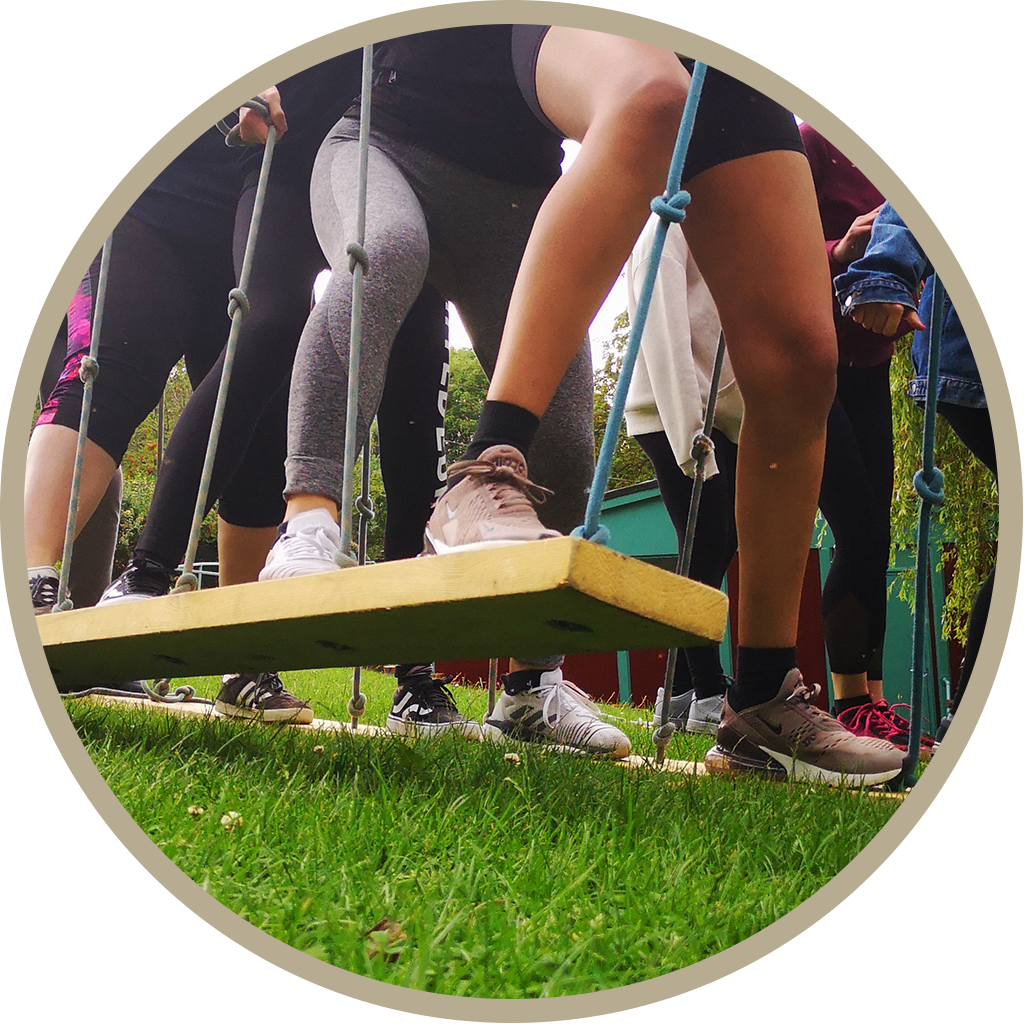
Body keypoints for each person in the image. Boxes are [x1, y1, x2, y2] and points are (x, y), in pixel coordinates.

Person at [424, 11, 907, 783]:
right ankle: (483, 469)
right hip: (605, 22)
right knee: (651, 100)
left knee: (800, 362)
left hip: (738, 54)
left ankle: (760, 704)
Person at [254, 26, 627, 754]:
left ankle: (530, 689)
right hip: (382, 145)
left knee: (562, 436)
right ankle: (308, 523)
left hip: (518, 193)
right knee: (382, 253)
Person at [97, 12, 450, 723]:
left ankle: (416, 675)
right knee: (267, 325)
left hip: (407, 180)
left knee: (414, 389)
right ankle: (144, 575)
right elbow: (234, 26)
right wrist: (241, 82)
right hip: (289, 168)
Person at [22, 11, 314, 720]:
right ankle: (30, 582)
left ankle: (244, 654)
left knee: (255, 426)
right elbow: (87, 80)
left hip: (253, 218)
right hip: (140, 206)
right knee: (106, 369)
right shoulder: (168, 16)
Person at [835, 80, 1013, 768]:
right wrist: (883, 274)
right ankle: (977, 721)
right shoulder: (1008, 111)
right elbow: (935, 196)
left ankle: (980, 721)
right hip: (984, 356)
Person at [800, 12, 952, 750]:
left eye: (931, 53)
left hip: (870, 371)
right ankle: (847, 700)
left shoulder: (931, 151)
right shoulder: (821, 133)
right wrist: (843, 246)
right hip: (807, 364)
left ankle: (876, 704)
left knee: (877, 531)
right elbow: (774, 247)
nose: (914, 68)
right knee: (856, 524)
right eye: (901, 52)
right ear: (868, 52)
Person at [10, 19, 121, 611]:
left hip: (76, 303)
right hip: (14, 288)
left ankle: (77, 633)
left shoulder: (132, 80)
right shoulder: (25, 70)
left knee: (90, 435)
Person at [624, 218, 741, 736]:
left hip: (718, 410)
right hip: (673, 412)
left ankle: (680, 690)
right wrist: (690, 430)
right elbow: (663, 325)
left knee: (713, 544)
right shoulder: (666, 227)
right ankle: (709, 694)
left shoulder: (724, 223)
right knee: (706, 540)